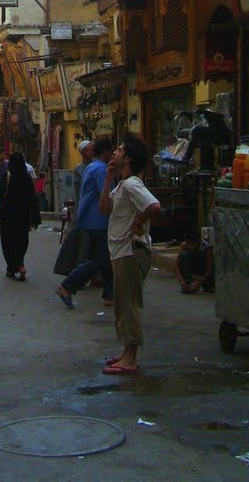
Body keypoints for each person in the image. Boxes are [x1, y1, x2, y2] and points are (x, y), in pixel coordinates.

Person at [98, 133, 161, 375]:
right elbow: (104, 209)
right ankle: (126, 353)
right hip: (120, 251)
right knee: (122, 304)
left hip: (130, 251)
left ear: (128, 158)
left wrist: (138, 222)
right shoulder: (122, 184)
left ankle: (131, 358)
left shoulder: (133, 183)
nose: (114, 152)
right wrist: (108, 178)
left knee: (129, 304)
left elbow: (154, 206)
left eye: (120, 150)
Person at [55, 137, 114, 309]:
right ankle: (67, 286)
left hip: (89, 218)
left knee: (104, 258)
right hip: (98, 220)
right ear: (106, 152)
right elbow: (107, 195)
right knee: (98, 258)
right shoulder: (101, 170)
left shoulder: (90, 167)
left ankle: (109, 295)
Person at [53, 139, 96, 278]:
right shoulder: (80, 169)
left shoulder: (95, 166)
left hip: (91, 209)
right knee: (80, 241)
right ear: (84, 153)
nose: (93, 152)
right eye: (90, 150)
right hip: (82, 208)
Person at [0, 151, 41, 281]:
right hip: (23, 215)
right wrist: (35, 216)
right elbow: (32, 198)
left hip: (8, 214)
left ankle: (13, 267)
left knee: (8, 241)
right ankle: (20, 263)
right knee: (21, 240)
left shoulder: (7, 176)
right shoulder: (27, 177)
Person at [175, 229, 215, 293]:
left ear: (198, 241)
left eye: (192, 244)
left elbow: (210, 268)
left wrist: (199, 282)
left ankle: (206, 284)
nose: (190, 247)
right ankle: (189, 282)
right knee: (183, 256)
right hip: (192, 271)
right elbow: (176, 265)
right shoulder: (184, 245)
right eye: (188, 244)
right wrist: (182, 282)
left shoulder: (206, 247)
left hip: (203, 271)